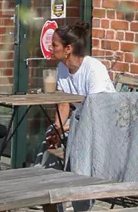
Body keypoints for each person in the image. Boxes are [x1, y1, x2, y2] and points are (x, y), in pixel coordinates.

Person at [44, 21, 115, 150]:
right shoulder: (62, 68)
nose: (50, 48)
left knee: (71, 136)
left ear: (68, 49)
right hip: (82, 121)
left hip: (104, 124)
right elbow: (63, 104)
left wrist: (65, 129)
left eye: (54, 45)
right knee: (49, 134)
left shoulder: (93, 69)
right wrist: (57, 128)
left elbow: (96, 113)